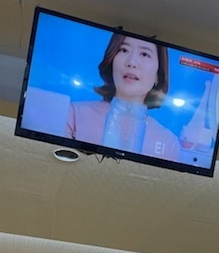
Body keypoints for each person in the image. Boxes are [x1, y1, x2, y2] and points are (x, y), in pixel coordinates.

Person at [65, 33, 180, 161]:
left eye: (144, 54)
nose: (131, 62)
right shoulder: (74, 115)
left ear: (158, 74)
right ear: (112, 60)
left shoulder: (169, 143)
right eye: (124, 50)